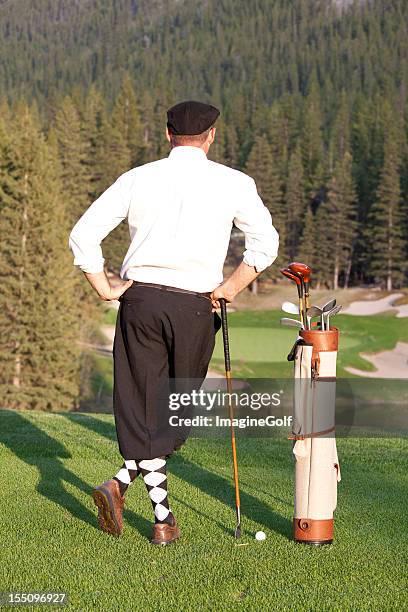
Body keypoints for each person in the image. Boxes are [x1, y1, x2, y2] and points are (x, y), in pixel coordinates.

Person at [69, 100, 279, 545]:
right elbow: (265, 245)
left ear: (167, 134)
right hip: (194, 306)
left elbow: (83, 235)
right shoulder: (234, 183)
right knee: (171, 410)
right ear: (212, 136)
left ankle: (122, 487)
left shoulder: (138, 178)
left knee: (146, 407)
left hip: (140, 301)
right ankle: (162, 521)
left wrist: (105, 288)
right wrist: (230, 289)